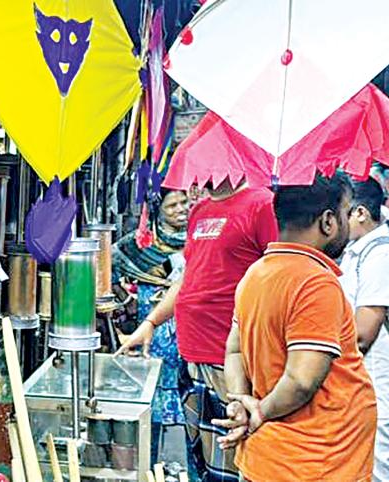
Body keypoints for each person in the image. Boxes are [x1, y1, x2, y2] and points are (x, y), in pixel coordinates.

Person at [215, 172, 377, 482]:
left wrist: (240, 400)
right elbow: (302, 380)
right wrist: (258, 412)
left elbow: (234, 349)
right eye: (345, 212)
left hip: (272, 459)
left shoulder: (256, 273)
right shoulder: (315, 282)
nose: (347, 222)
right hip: (316, 462)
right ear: (328, 221)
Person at [117, 179, 278, 482]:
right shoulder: (202, 210)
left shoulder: (260, 203)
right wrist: (151, 322)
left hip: (229, 357)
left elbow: (277, 271)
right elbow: (190, 275)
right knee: (202, 462)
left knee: (233, 462)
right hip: (192, 355)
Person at [338, 178, 389, 482]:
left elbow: (362, 333)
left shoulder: (383, 256)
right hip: (358, 378)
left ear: (359, 213)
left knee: (378, 464)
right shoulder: (357, 251)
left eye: (340, 212)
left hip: (373, 378)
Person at [111, 188, 189, 463]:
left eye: (184, 202)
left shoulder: (199, 240)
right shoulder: (140, 244)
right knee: (149, 404)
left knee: (190, 404)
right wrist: (126, 301)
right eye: (172, 206)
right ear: (158, 212)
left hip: (187, 331)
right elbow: (108, 266)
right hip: (152, 331)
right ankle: (148, 466)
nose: (181, 209)